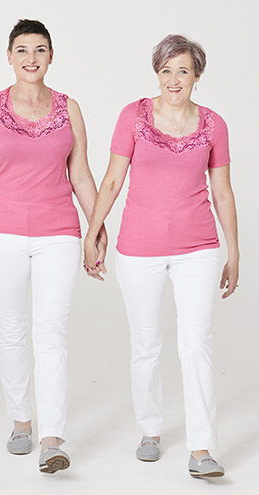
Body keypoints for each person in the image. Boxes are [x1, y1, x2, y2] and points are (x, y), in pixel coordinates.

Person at [0, 19, 105, 474]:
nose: (31, 58)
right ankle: (21, 422)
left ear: (51, 57)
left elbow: (82, 175)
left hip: (59, 234)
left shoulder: (69, 108)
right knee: (11, 330)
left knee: (50, 334)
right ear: (9, 57)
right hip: (2, 234)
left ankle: (52, 439)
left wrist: (97, 228)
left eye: (39, 50)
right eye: (22, 50)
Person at [83, 34, 237, 479]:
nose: (174, 79)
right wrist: (92, 233)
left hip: (199, 249)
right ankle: (150, 430)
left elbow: (222, 192)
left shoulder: (214, 124)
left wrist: (235, 252)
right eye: (166, 70)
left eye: (183, 71)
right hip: (139, 248)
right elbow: (112, 180)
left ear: (197, 76)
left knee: (195, 345)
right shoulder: (132, 116)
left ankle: (202, 449)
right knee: (146, 344)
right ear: (157, 73)